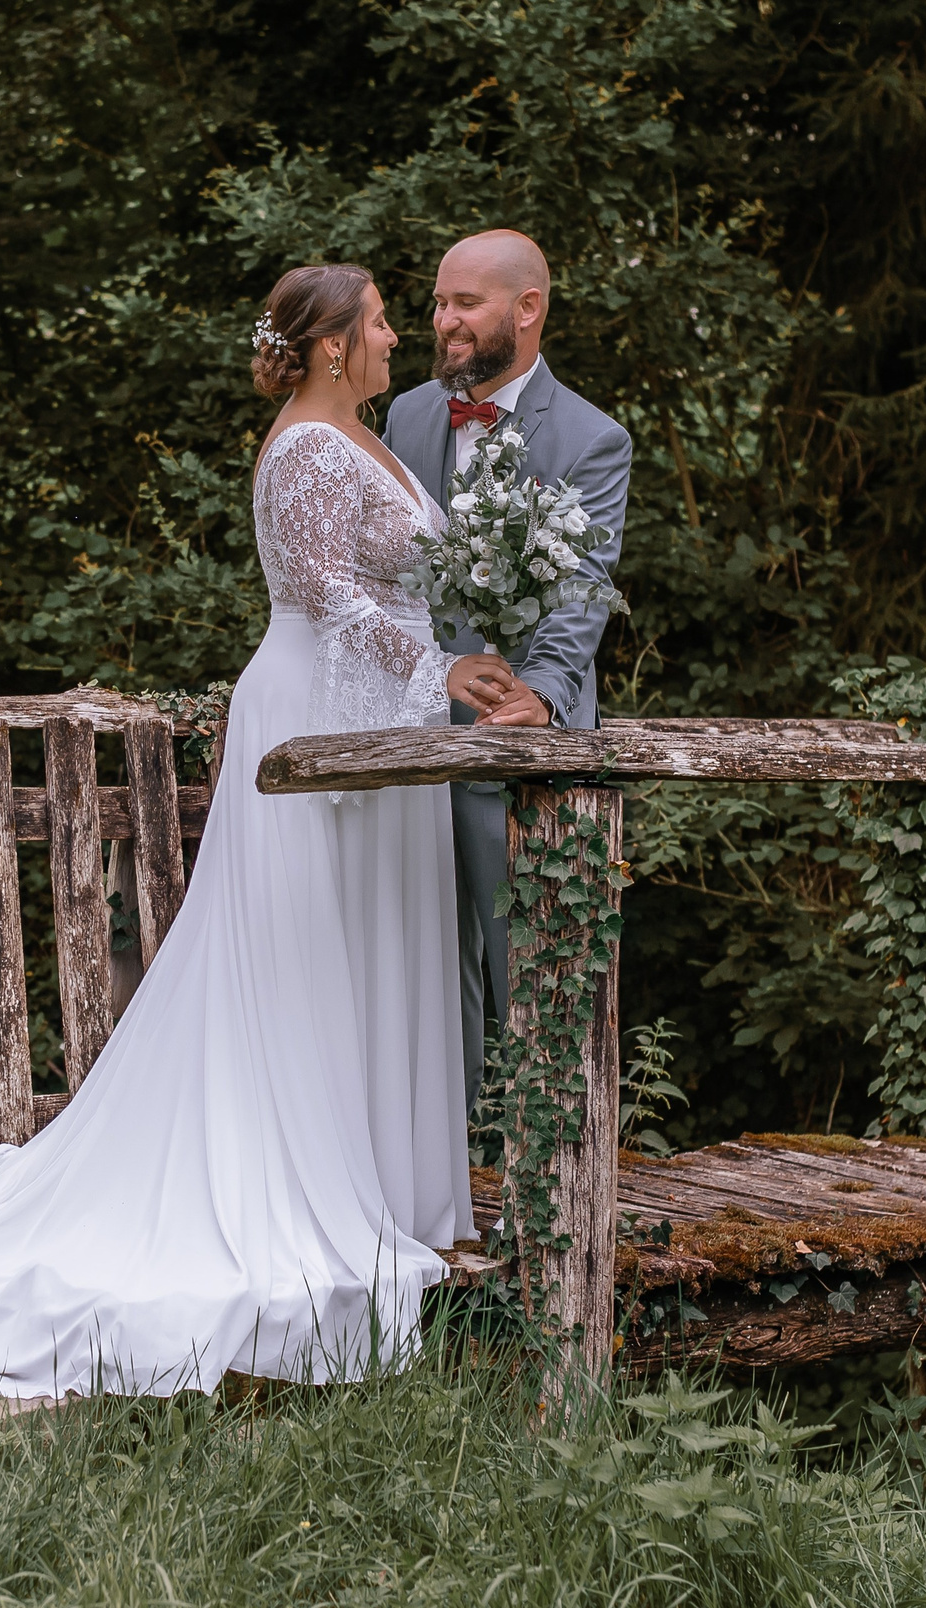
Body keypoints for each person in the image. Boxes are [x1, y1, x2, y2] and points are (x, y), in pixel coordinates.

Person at [0, 265, 519, 1399]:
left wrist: (451, 658)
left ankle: (393, 1191)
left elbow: (393, 587)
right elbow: (329, 597)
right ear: (334, 346)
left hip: (381, 717)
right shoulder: (304, 449)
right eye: (382, 320)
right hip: (314, 714)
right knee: (306, 958)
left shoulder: (367, 436)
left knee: (373, 945)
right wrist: (437, 668)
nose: (399, 334)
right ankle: (304, 1186)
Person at [382, 230, 634, 1113]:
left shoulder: (593, 438)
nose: (443, 320)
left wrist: (546, 697)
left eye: (466, 303)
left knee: (538, 981)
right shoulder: (408, 415)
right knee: (424, 986)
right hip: (414, 745)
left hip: (522, 749)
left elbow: (584, 586)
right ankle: (443, 1169)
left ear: (528, 309)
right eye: (438, 302)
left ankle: (550, 1171)